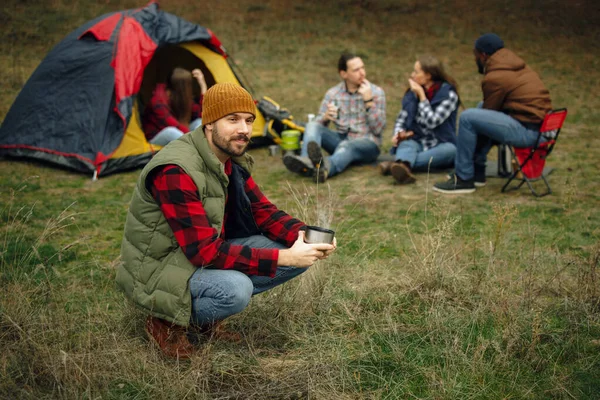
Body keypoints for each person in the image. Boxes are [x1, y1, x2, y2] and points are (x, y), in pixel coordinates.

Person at [117, 83, 336, 359]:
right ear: (209, 123)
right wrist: (285, 258)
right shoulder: (176, 170)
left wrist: (305, 234)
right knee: (237, 289)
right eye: (232, 120)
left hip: (196, 253)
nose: (243, 129)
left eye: (248, 120)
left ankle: (204, 319)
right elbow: (202, 251)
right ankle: (164, 321)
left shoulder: (230, 157)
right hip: (160, 267)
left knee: (299, 251)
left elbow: (262, 211)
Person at [433, 33, 552, 194]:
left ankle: (464, 178)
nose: (475, 60)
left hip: (530, 133)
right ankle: (477, 171)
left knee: (468, 117)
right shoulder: (518, 67)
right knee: (479, 109)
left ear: (483, 55)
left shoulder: (496, 77)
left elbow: (489, 113)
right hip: (542, 128)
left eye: (475, 55)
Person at [283, 53, 386, 183]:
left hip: (368, 145)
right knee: (312, 125)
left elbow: (378, 130)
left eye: (363, 68)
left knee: (347, 145)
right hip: (340, 140)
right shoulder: (333, 94)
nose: (362, 73)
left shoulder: (376, 92)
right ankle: (307, 162)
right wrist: (325, 117)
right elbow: (318, 128)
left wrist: (369, 102)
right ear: (344, 74)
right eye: (356, 70)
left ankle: (325, 169)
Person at [379, 55, 460, 184]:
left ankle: (399, 164)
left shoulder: (448, 95)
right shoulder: (412, 94)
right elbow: (402, 118)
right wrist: (398, 134)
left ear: (428, 75)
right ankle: (402, 166)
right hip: (416, 140)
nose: (412, 75)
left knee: (451, 151)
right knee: (406, 143)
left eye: (416, 72)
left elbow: (432, 122)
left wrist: (422, 97)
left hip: (440, 143)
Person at [142, 67, 208, 146]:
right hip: (156, 139)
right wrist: (196, 139)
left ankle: (201, 151)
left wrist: (203, 86)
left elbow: (200, 114)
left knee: (199, 122)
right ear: (183, 88)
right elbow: (174, 125)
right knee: (172, 132)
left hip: (182, 133)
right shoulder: (158, 102)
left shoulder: (180, 97)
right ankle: (198, 153)